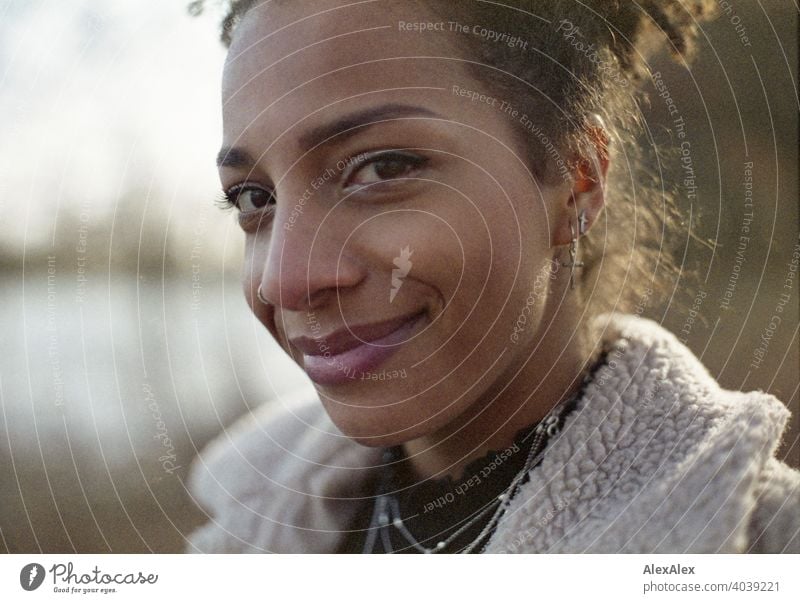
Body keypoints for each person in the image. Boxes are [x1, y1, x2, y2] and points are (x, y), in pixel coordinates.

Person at [184, 0, 799, 553]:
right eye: (252, 199)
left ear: (577, 180)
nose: (285, 282)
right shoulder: (239, 544)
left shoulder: (764, 545)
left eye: (382, 168)